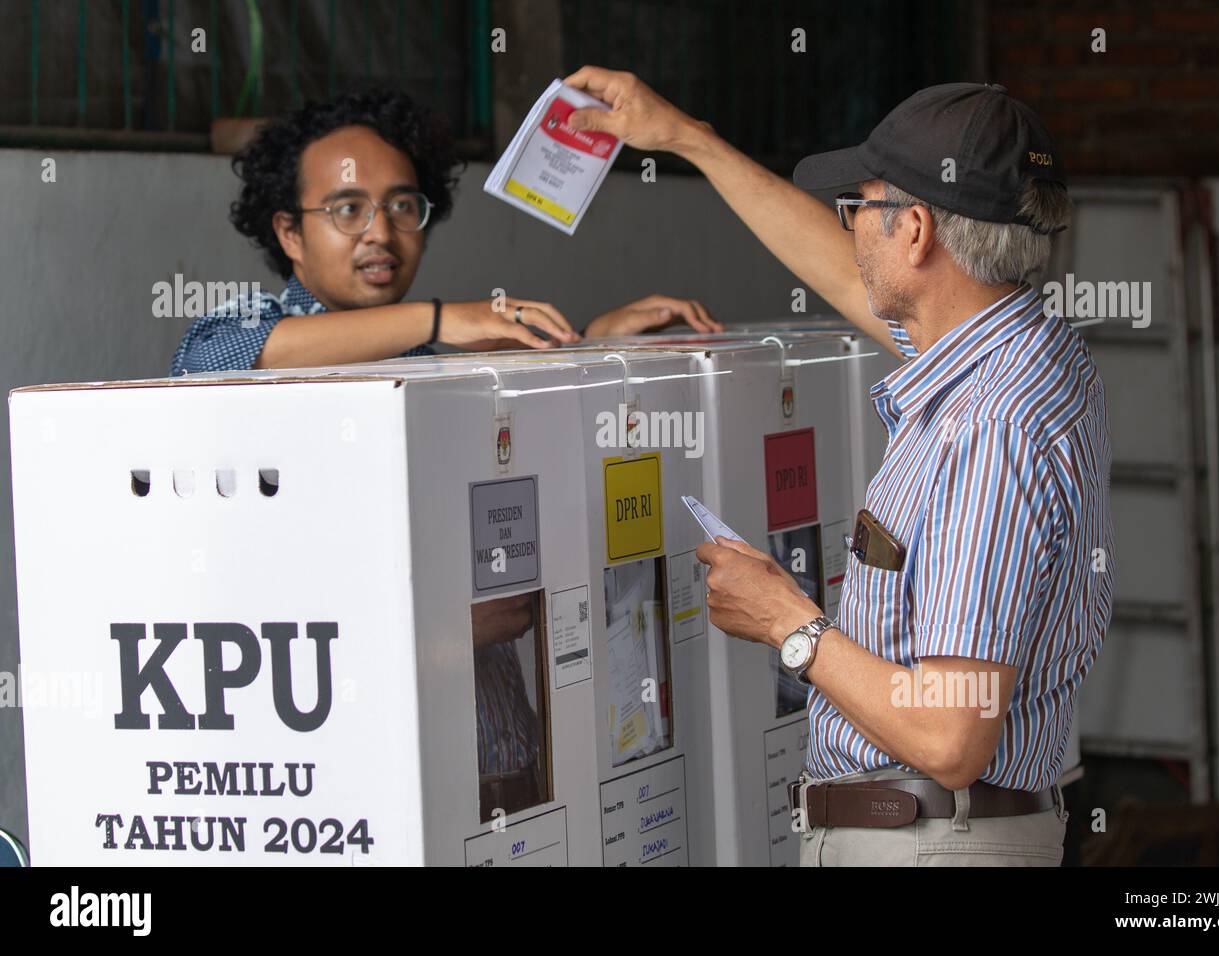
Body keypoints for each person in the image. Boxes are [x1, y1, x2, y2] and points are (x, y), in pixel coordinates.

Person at [564, 68, 1113, 867]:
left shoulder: (987, 428)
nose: (849, 232)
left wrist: (788, 622)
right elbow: (837, 268)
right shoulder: (1022, 353)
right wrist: (688, 139)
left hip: (935, 842)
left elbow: (950, 734)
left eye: (860, 209)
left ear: (916, 230)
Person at [170, 87, 720, 376]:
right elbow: (225, 357)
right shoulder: (238, 327)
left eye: (402, 206)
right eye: (347, 209)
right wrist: (442, 317)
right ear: (290, 233)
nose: (380, 233)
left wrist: (597, 340)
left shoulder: (423, 360)